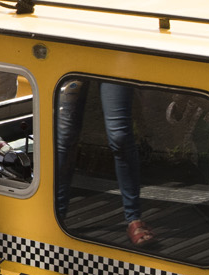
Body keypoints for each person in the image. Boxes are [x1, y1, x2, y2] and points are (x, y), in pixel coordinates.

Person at [55, 77, 154, 248]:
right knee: (64, 136)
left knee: (120, 137)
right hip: (73, 54)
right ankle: (57, 213)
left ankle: (134, 218)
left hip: (112, 56)